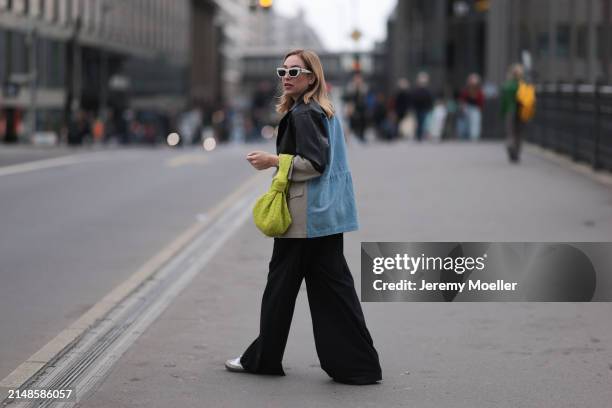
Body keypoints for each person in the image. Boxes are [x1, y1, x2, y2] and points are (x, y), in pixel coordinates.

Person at [225, 49, 382, 385]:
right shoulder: (324, 110)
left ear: (313, 76)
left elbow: (314, 164)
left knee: (279, 290)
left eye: (295, 71)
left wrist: (273, 160)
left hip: (303, 217)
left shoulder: (305, 114)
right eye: (283, 71)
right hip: (326, 215)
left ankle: (264, 359)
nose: (287, 77)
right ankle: (359, 365)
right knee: (335, 291)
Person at [501, 64, 524, 162]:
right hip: (521, 111)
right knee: (519, 132)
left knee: (510, 132)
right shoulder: (523, 85)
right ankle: (516, 152)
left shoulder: (507, 86)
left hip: (510, 111)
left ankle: (511, 148)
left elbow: (503, 101)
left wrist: (502, 113)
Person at [458, 73, 484, 141]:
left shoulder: (479, 91)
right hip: (467, 107)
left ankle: (474, 136)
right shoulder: (466, 90)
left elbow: (481, 100)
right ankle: (465, 136)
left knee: (475, 122)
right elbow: (462, 99)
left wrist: (480, 108)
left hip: (475, 108)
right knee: (466, 122)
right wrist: (462, 106)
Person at [411, 72, 433, 142]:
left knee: (423, 123)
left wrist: (430, 107)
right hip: (418, 109)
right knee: (419, 123)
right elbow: (413, 100)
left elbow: (429, 99)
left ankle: (420, 136)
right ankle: (418, 136)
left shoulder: (426, 91)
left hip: (424, 109)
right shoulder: (417, 91)